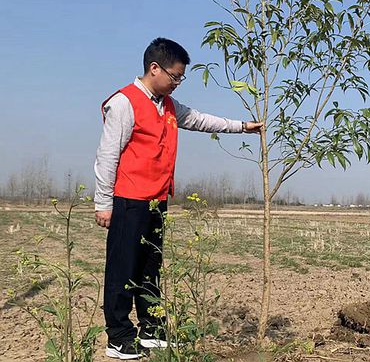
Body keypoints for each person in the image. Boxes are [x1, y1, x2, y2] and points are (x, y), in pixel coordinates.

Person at [94, 38, 262, 359]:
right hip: (129, 200)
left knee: (150, 267)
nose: (177, 83)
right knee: (122, 270)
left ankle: (152, 331)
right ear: (154, 68)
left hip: (158, 200)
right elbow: (107, 156)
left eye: (180, 78)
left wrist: (243, 127)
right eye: (175, 76)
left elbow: (200, 120)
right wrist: (103, 203)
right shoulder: (125, 103)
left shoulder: (168, 106)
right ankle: (118, 337)